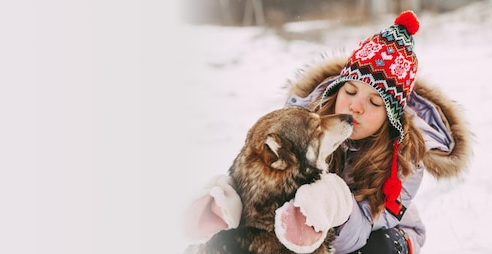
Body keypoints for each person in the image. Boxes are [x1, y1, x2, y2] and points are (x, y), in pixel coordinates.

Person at [183, 10, 472, 254]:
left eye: (374, 102)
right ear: (336, 90)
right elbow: (273, 185)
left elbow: (352, 236)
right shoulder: (308, 125)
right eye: (350, 91)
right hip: (305, 228)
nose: (355, 107)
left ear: (392, 120)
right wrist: (239, 197)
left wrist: (333, 206)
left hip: (373, 234)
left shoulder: (406, 161)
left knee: (379, 247)